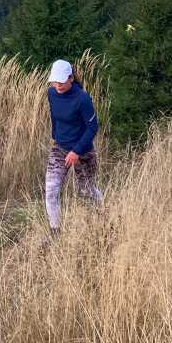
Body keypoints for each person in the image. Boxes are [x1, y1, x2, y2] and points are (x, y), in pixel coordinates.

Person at [44, 59, 101, 233]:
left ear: (70, 78)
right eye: (55, 81)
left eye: (62, 81)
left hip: (82, 150)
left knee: (86, 191)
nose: (58, 85)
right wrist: (56, 137)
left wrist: (76, 151)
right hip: (60, 148)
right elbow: (54, 115)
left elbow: (93, 127)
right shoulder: (51, 93)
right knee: (51, 190)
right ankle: (55, 232)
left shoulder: (82, 98)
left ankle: (104, 217)